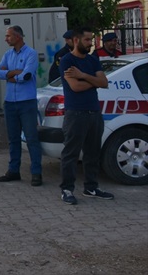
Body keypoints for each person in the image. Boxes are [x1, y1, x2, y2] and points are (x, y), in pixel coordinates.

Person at [58, 28, 114, 205]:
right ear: (76, 40)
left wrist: (83, 76)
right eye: (88, 40)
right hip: (76, 114)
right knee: (71, 154)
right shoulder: (67, 60)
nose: (91, 43)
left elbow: (104, 82)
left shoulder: (92, 60)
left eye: (91, 40)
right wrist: (93, 82)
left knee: (92, 153)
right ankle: (67, 189)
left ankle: (91, 187)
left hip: (94, 113)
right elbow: (75, 87)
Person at [0, 25, 42, 186]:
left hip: (26, 102)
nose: (6, 39)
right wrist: (13, 73)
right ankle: (13, 170)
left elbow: (27, 75)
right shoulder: (8, 54)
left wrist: (10, 75)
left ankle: (36, 172)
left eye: (8, 36)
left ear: (18, 37)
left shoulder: (31, 54)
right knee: (13, 139)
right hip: (10, 102)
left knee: (31, 138)